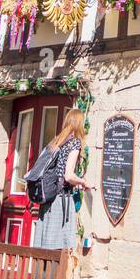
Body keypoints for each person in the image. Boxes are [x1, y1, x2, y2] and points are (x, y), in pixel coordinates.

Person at [33, 108, 93, 252]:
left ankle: (41, 275)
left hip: (48, 198)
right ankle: (54, 275)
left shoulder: (57, 141)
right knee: (58, 250)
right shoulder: (74, 143)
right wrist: (84, 182)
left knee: (44, 248)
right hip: (61, 200)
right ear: (80, 123)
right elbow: (68, 176)